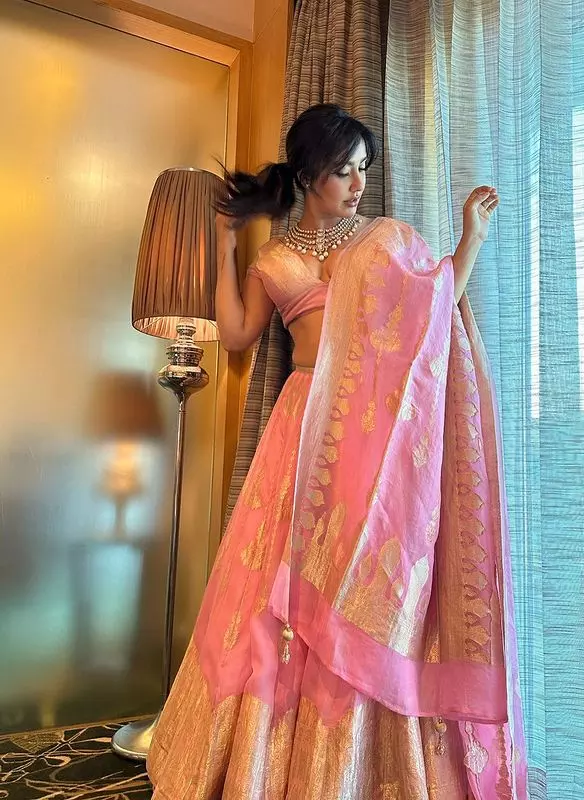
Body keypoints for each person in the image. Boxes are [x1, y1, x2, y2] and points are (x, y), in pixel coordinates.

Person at [147, 104, 527, 799]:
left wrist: (470, 236)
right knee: (272, 593)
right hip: (300, 430)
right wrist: (224, 244)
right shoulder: (274, 259)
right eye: (344, 170)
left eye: (363, 170)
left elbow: (437, 305)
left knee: (359, 578)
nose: (358, 184)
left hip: (367, 437)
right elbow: (236, 335)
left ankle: (360, 758)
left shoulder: (385, 244)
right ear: (308, 175)